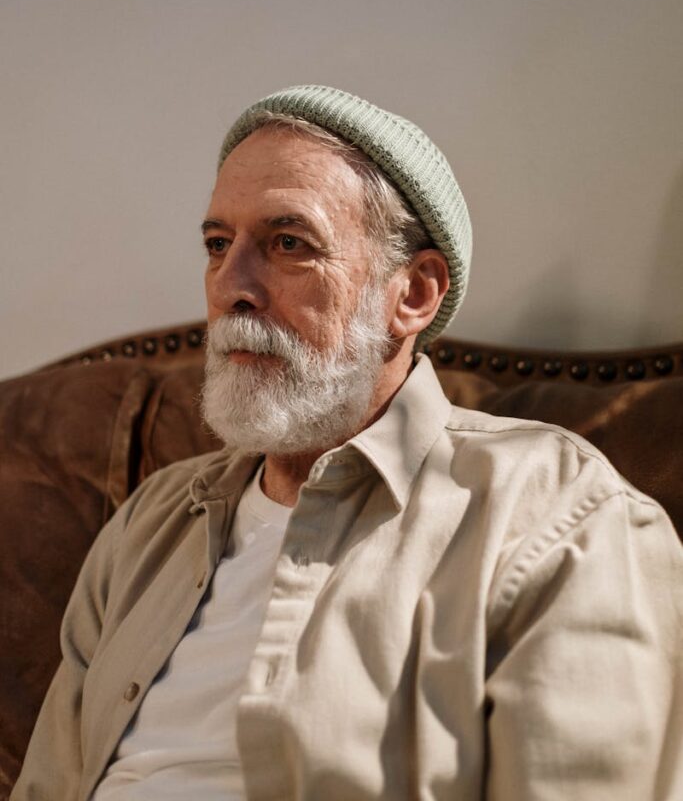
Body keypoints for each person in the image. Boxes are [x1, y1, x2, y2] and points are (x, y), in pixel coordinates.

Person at [12, 85, 682, 800]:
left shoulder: (558, 513)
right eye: (217, 245)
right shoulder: (150, 525)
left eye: (288, 244)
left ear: (413, 294)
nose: (230, 286)